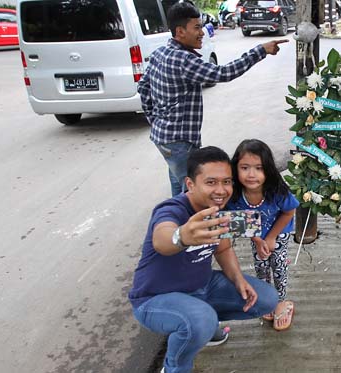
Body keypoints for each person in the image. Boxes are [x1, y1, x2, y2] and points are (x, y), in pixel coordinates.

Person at [128, 146, 279, 373]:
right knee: (200, 321)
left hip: (202, 287)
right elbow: (162, 238)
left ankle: (202, 328)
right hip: (155, 299)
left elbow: (223, 249)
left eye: (227, 182)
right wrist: (182, 236)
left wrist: (239, 280)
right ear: (190, 184)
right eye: (211, 182)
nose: (221, 190)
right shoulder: (171, 209)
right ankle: (175, 366)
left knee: (267, 299)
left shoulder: (218, 208)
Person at [138, 1, 288, 197]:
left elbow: (143, 87)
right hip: (179, 142)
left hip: (164, 138)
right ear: (180, 31)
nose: (202, 32)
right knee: (193, 193)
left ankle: (178, 222)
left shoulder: (160, 52)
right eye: (197, 27)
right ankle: (186, 226)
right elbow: (224, 73)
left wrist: (155, 120)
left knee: (180, 185)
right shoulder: (183, 60)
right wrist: (260, 51)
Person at [227, 139, 299, 331]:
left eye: (258, 168)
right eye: (245, 167)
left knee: (278, 266)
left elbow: (289, 212)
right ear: (235, 169)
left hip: (279, 233)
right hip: (256, 235)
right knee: (260, 266)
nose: (251, 175)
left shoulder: (276, 190)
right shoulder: (235, 194)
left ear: (268, 169)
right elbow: (240, 222)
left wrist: (271, 237)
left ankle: (281, 302)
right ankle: (268, 299)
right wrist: (258, 240)